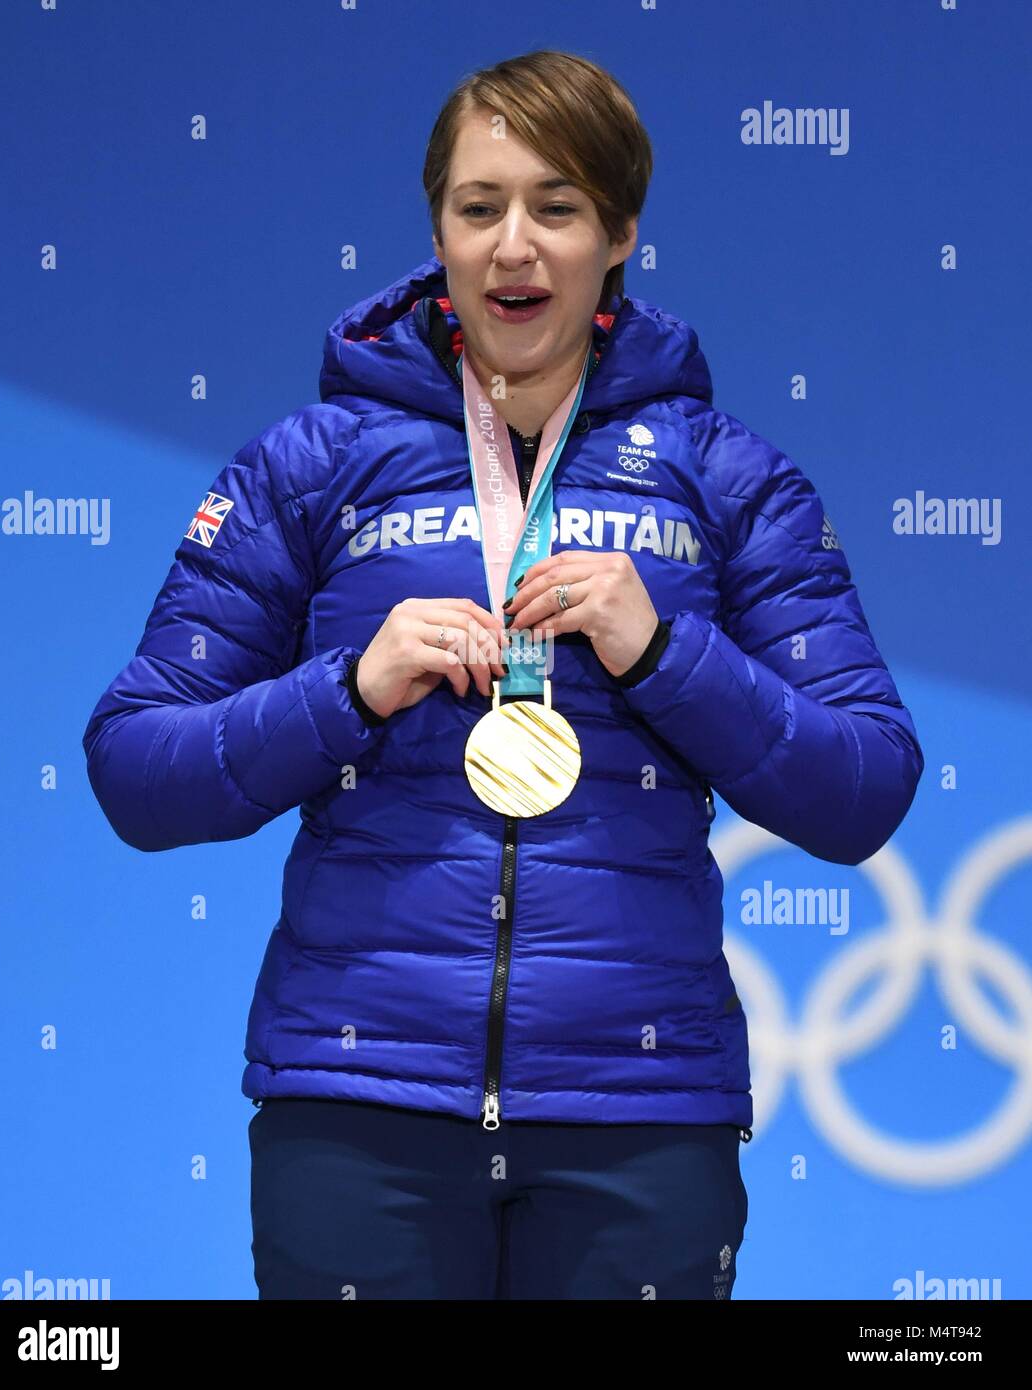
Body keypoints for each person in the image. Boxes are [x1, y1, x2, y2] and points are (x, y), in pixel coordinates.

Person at [82, 49, 924, 1300]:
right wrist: (347, 689)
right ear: (437, 227)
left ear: (621, 230)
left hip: (639, 1111)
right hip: (358, 1101)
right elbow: (135, 767)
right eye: (478, 208)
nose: (512, 246)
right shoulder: (308, 466)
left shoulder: (728, 478)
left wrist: (664, 652)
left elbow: (864, 787)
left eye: (556, 205)